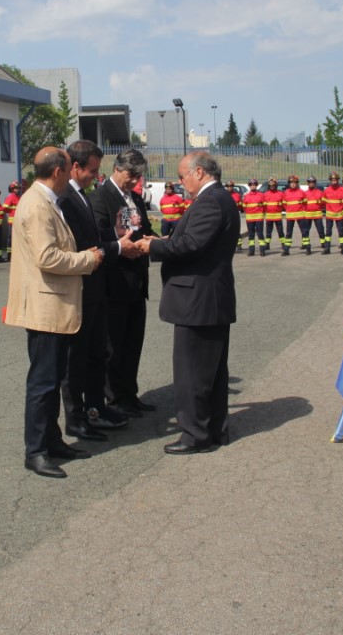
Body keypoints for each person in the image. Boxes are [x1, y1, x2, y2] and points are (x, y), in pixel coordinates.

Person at [4, 147, 104, 478]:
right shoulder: (36, 205)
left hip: (55, 306)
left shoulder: (46, 201)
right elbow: (48, 257)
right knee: (43, 383)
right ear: (59, 171)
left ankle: (52, 441)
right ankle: (35, 451)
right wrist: (87, 259)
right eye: (69, 169)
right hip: (45, 308)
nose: (74, 175)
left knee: (51, 378)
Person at [134, 151, 238, 454]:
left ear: (201, 172)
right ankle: (215, 431)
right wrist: (164, 242)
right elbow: (194, 241)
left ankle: (195, 436)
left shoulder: (211, 201)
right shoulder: (218, 199)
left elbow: (191, 244)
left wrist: (153, 245)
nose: (180, 182)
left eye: (183, 176)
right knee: (212, 374)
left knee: (192, 374)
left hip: (199, 301)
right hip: (208, 299)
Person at [60, 141, 133, 439]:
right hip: (80, 290)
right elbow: (78, 246)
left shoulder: (81, 195)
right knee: (75, 360)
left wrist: (112, 234)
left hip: (94, 289)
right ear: (74, 167)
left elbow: (91, 235)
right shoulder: (65, 199)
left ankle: (94, 408)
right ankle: (77, 419)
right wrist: (117, 246)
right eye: (91, 171)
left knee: (97, 353)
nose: (95, 176)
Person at [91, 148, 157, 424]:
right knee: (113, 346)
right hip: (114, 282)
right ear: (117, 169)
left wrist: (153, 240)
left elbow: (144, 229)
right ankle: (115, 399)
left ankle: (130, 393)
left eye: (138, 176)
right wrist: (122, 248)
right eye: (131, 175)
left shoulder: (136, 198)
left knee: (133, 343)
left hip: (136, 281)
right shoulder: (99, 198)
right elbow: (99, 235)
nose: (134, 180)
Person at [322, 172, 343, 255]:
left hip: (339, 214)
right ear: (330, 181)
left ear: (338, 181)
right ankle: (327, 248)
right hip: (329, 215)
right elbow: (323, 202)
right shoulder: (326, 190)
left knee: (341, 232)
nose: (334, 182)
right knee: (328, 233)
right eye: (332, 180)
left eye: (335, 180)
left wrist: (340, 208)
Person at [301, 175, 327, 255]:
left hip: (317, 214)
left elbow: (324, 203)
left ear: (315, 183)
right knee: (305, 231)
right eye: (310, 182)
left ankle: (323, 243)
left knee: (321, 230)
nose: (311, 184)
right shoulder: (304, 193)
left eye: (313, 182)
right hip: (307, 214)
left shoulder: (320, 192)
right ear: (308, 183)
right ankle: (305, 244)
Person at [281, 175, 305, 256]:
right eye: (291, 183)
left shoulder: (301, 192)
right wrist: (289, 209)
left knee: (304, 231)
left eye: (294, 183)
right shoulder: (286, 192)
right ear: (289, 184)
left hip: (300, 215)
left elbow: (305, 203)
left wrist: (301, 210)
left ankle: (307, 247)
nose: (293, 184)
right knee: (288, 233)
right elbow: (284, 204)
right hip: (290, 216)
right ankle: (286, 249)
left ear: (297, 183)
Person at [242, 178, 266, 255]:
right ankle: (251, 250)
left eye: (254, 185)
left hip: (259, 217)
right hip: (250, 218)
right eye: (251, 185)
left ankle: (262, 250)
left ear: (256, 186)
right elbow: (244, 207)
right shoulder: (246, 196)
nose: (253, 186)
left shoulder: (261, 195)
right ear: (249, 186)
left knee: (260, 234)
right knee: (251, 235)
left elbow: (264, 206)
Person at [261, 177, 284, 254]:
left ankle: (283, 244)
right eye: (271, 186)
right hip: (269, 216)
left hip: (277, 215)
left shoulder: (280, 194)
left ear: (276, 185)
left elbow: (283, 204)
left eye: (273, 186)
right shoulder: (265, 194)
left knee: (280, 231)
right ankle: (267, 244)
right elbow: (263, 205)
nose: (272, 187)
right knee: (268, 232)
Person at [2, 181, 21, 262]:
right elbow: (5, 208)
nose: (18, 190)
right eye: (16, 188)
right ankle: (9, 255)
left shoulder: (19, 197)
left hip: (18, 221)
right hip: (12, 221)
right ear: (12, 189)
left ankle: (17, 254)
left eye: (18, 188)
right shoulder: (10, 197)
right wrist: (12, 211)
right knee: (10, 239)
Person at [225, 180, 243, 251]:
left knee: (236, 230)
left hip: (235, 215)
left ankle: (239, 244)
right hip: (227, 215)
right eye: (228, 186)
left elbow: (240, 206)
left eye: (231, 186)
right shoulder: (224, 195)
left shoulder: (237, 195)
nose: (229, 188)